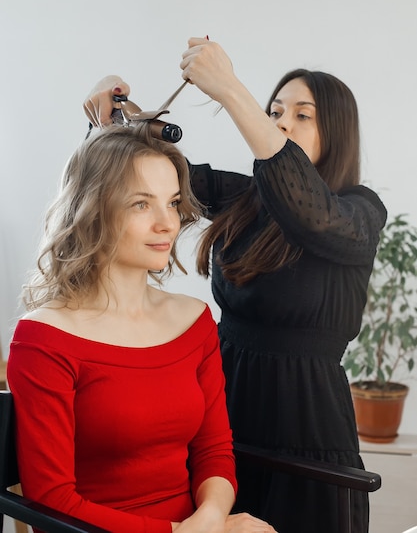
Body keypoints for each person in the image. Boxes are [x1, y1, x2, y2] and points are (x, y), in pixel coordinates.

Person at [82, 37, 387, 533]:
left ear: (337, 131)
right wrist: (108, 119)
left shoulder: (359, 211)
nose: (282, 122)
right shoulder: (245, 196)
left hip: (305, 426)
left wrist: (228, 89)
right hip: (219, 413)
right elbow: (146, 178)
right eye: (274, 111)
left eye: (302, 115)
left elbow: (309, 213)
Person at [7, 124, 277, 533]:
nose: (168, 223)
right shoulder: (44, 338)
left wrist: (209, 519)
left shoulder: (194, 321)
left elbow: (214, 450)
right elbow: (52, 501)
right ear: (93, 210)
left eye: (172, 203)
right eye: (141, 205)